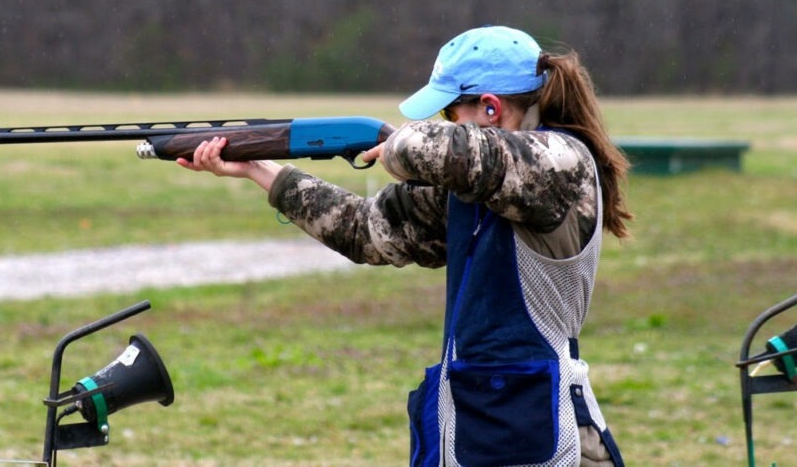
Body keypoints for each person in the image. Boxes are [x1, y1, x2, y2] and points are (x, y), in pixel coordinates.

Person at [177, 25, 631, 467]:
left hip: (544, 437)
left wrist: (395, 143)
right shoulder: (478, 187)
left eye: (449, 113)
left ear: (491, 108)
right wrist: (260, 169)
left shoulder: (558, 161)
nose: (441, 124)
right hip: (489, 428)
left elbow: (442, 151)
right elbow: (364, 229)